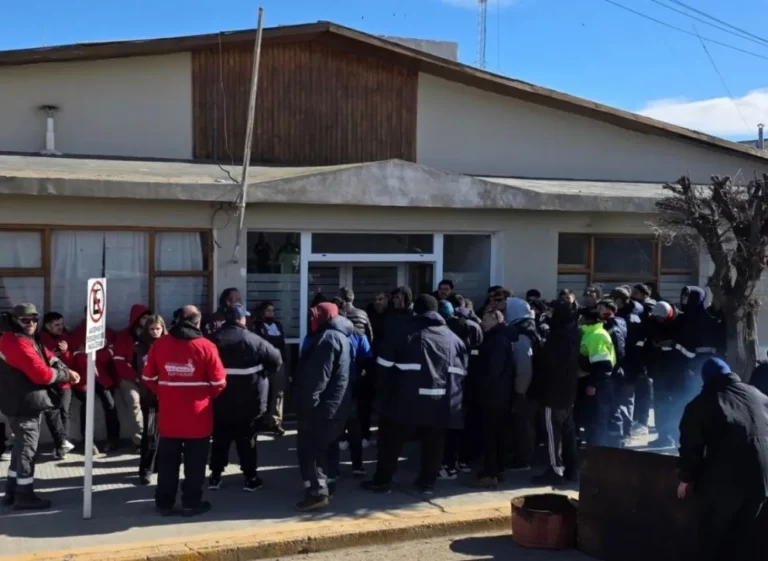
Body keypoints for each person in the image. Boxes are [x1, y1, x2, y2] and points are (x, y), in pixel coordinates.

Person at [365, 294, 468, 495]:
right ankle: (427, 483)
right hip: (441, 405)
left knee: (390, 443)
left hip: (404, 402)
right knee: (434, 446)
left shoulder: (402, 333)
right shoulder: (454, 339)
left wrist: (382, 395)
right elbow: (462, 373)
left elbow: (382, 368)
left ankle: (382, 482)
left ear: (415, 310)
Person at [677, 357, 768, 561]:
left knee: (714, 540)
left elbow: (691, 446)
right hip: (761, 481)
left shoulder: (701, 403)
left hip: (726, 484)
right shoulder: (758, 395)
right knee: (745, 539)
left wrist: (685, 476)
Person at [142, 305, 227, 517]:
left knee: (167, 463)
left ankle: (164, 504)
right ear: (198, 322)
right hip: (198, 416)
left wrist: (165, 393)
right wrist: (204, 396)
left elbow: (148, 377)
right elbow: (219, 382)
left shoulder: (160, 344)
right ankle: (191, 504)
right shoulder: (206, 346)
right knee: (195, 465)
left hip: (169, 415)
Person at [0, 304, 80, 510]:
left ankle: (11, 491)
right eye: (25, 320)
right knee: (27, 450)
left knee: (20, 448)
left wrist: (60, 365)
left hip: (18, 402)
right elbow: (41, 374)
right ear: (14, 320)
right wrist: (65, 374)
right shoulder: (17, 342)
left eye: (34, 319)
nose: (31, 323)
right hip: (24, 403)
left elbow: (46, 355)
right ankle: (24, 496)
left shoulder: (21, 338)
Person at [209, 303, 283, 492]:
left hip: (220, 399)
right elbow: (276, 360)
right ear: (242, 319)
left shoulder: (213, 339)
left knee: (220, 439)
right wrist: (264, 373)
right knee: (247, 440)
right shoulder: (253, 339)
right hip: (249, 400)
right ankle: (250, 478)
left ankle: (215, 477)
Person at [294, 302, 353, 511]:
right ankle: (328, 485)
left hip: (323, 408)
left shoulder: (327, 339)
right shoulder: (342, 337)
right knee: (328, 448)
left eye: (314, 316)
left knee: (311, 450)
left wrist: (309, 405)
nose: (311, 320)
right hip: (337, 406)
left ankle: (317, 493)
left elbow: (318, 377)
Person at [530, 300, 581, 485]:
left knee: (553, 435)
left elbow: (548, 366)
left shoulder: (557, 338)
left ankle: (555, 470)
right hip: (568, 393)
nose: (548, 314)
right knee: (568, 434)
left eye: (552, 311)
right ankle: (572, 469)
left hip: (553, 395)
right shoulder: (573, 332)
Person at [329, 297, 372, 477]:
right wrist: (361, 373)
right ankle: (357, 465)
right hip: (350, 386)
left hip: (331, 388)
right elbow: (367, 357)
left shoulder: (325, 335)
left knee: (333, 428)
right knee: (354, 427)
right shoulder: (357, 334)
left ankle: (333, 469)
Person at [69, 307, 120, 453]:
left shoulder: (107, 331)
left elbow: (111, 352)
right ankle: (88, 441)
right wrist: (89, 362)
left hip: (103, 376)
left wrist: (95, 357)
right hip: (84, 376)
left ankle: (113, 439)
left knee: (110, 404)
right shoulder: (79, 332)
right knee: (86, 405)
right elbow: (77, 355)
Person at [474, 309, 514, 487]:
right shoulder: (502, 338)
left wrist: (481, 388)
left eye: (485, 320)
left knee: (490, 435)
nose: (482, 323)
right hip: (501, 395)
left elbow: (493, 371)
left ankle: (491, 472)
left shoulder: (497, 341)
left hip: (493, 396)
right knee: (498, 434)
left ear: (496, 319)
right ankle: (497, 469)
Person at [505, 297, 541, 470]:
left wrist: (520, 392)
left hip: (525, 390)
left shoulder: (521, 335)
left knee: (523, 424)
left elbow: (523, 366)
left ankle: (523, 459)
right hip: (532, 388)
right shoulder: (529, 328)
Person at [611, 287, 651, 439]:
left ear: (619, 301)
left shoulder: (629, 318)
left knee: (626, 398)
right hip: (627, 362)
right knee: (625, 398)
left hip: (628, 363)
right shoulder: (634, 313)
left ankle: (625, 432)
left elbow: (630, 343)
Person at [579, 307, 620, 447]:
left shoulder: (596, 336)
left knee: (597, 418)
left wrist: (592, 384)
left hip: (599, 382)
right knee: (593, 417)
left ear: (587, 319)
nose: (579, 321)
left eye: (581, 318)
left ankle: (596, 448)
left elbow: (602, 364)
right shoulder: (590, 333)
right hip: (594, 380)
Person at [113, 304, 152, 448]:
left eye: (149, 317)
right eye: (144, 318)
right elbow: (119, 361)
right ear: (136, 319)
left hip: (150, 378)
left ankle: (153, 438)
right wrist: (135, 377)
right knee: (134, 402)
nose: (147, 321)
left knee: (152, 406)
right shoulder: (124, 336)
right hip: (129, 378)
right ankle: (140, 439)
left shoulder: (153, 334)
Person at [646, 301, 684, 448]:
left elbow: (685, 345)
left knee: (676, 405)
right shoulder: (653, 322)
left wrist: (672, 344)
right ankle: (663, 436)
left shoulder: (680, 322)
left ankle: (676, 436)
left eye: (661, 318)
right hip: (659, 371)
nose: (659, 321)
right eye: (657, 318)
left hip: (676, 372)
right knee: (660, 405)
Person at [38, 312, 76, 459]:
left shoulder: (66, 338)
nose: (61, 327)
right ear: (47, 325)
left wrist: (65, 352)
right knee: (52, 413)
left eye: (62, 324)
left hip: (65, 382)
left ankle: (63, 444)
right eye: (57, 325)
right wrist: (51, 356)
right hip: (49, 382)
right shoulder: (40, 339)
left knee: (65, 412)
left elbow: (71, 362)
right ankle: (59, 444)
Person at [134, 314, 166, 485]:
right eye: (152, 329)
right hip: (150, 397)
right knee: (150, 433)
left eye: (158, 329)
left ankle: (158, 465)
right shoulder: (140, 347)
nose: (155, 332)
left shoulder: (168, 346)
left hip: (166, 395)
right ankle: (145, 470)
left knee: (164, 433)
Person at [251, 301, 288, 437]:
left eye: (273, 310)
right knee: (262, 391)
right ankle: (258, 420)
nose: (271, 313)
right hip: (264, 362)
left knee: (278, 392)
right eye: (268, 310)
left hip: (278, 362)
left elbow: (282, 343)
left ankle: (275, 422)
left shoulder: (277, 325)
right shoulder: (257, 326)